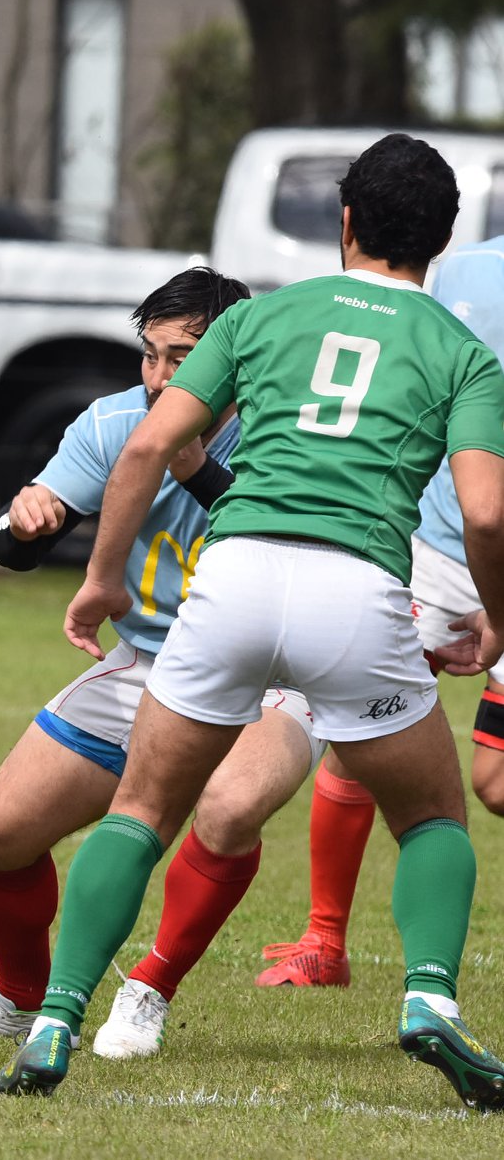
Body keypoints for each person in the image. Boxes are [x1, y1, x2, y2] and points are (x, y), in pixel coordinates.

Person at [0, 134, 504, 1110]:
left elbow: (146, 445)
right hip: (355, 595)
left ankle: (58, 1012)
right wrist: (497, 625)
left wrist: (101, 577)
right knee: (433, 812)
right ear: (439, 239)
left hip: (230, 577)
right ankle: (429, 996)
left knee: (141, 807)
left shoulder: (265, 316)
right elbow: (483, 512)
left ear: (343, 222)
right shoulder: (460, 350)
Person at [0, 267, 322, 1060]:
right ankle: (16, 997)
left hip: (273, 670)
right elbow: (12, 545)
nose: (164, 376)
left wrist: (192, 462)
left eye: (186, 356)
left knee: (230, 811)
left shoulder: (286, 427)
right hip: (151, 661)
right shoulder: (113, 422)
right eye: (151, 355)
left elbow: (274, 532)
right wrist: (29, 519)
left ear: (237, 356)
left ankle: (149, 991)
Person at [258, 232, 504, 989]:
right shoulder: (466, 269)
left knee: (493, 780)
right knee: (358, 730)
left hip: (482, 544)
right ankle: (324, 941)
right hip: (438, 545)